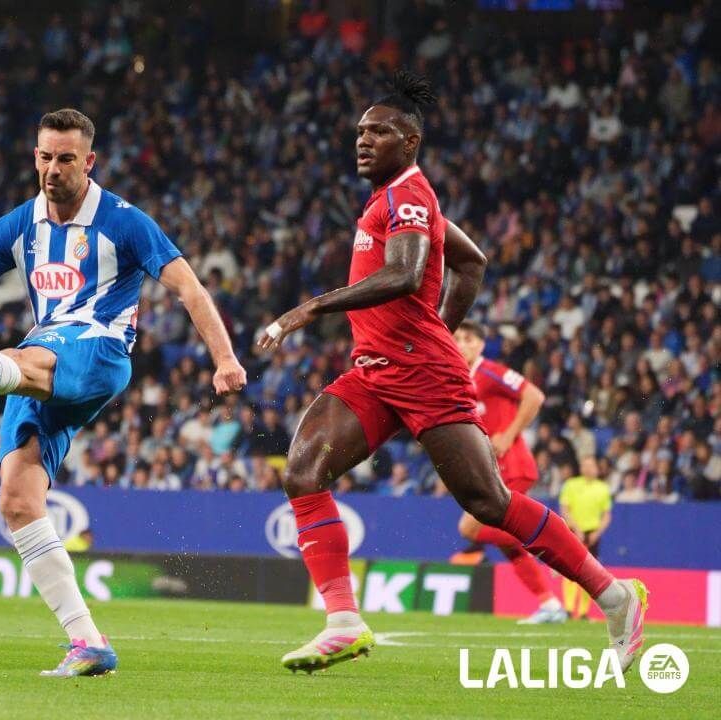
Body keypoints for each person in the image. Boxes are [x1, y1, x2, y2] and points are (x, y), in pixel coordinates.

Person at [258, 71, 645, 675]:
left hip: (424, 376)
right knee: (305, 471)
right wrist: (436, 325)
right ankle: (343, 623)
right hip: (376, 372)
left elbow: (408, 273)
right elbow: (471, 261)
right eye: (360, 131)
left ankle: (614, 597)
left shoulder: (408, 196)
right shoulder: (391, 195)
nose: (363, 141)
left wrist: (311, 307)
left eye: (378, 131)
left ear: (409, 142)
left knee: (488, 502)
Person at [0, 108, 246, 677]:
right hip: (43, 356)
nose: (52, 169)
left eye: (64, 159)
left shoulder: (125, 221)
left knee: (19, 358)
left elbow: (189, 287)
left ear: (89, 161)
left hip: (100, 350)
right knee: (16, 501)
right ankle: (88, 642)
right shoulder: (17, 225)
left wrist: (225, 357)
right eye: (44, 157)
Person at [451, 320, 567, 625]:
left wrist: (509, 433)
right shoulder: (459, 378)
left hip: (513, 467)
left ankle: (551, 544)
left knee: (470, 528)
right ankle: (550, 603)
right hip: (495, 471)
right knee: (506, 540)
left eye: (466, 339)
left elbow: (535, 396)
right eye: (456, 338)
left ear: (479, 345)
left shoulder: (489, 372)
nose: (460, 344)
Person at [559, 456, 613, 620]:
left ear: (597, 468)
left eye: (591, 465)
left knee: (589, 573)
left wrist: (598, 532)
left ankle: (583, 612)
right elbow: (564, 509)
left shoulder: (603, 488)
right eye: (585, 465)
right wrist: (575, 527)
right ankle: (568, 609)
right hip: (574, 532)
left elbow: (606, 515)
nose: (588, 468)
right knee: (569, 571)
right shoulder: (571, 484)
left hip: (592, 533)